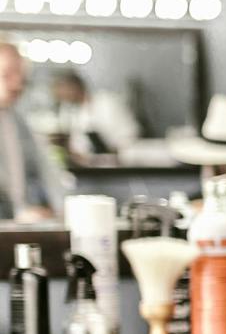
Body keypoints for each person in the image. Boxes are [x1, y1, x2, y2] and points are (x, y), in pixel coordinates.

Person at [0, 42, 63, 221]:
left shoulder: (16, 121)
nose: (17, 84)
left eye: (21, 76)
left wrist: (58, 206)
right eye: (7, 75)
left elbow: (44, 172)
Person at [48, 69, 141, 155]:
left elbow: (131, 133)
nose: (60, 97)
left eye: (61, 91)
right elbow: (78, 145)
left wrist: (114, 150)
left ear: (74, 87)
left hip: (122, 160)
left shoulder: (107, 102)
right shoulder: (77, 113)